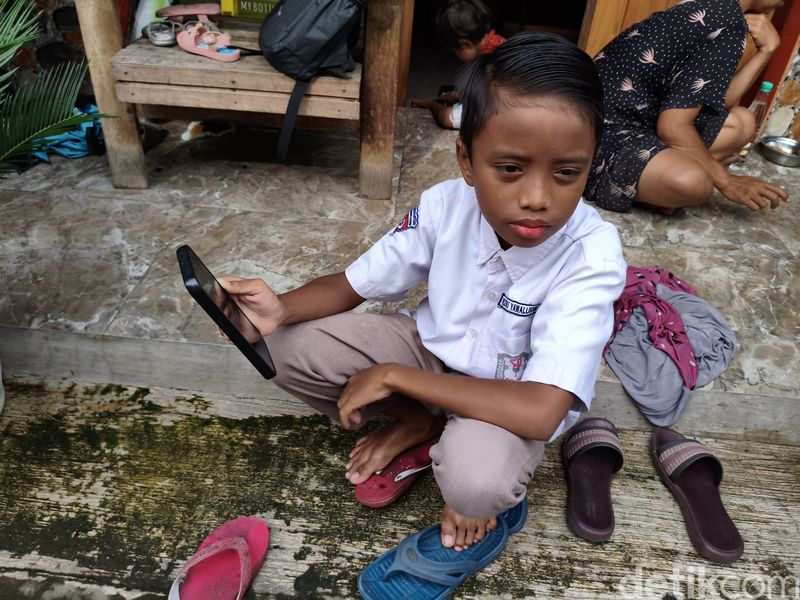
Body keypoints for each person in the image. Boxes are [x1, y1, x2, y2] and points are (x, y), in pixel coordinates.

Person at [221, 33, 626, 559]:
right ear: (466, 159)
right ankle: (419, 421)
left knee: (476, 486)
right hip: (429, 352)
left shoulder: (591, 254)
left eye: (566, 173)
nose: (536, 198)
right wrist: (281, 308)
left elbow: (543, 411)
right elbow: (352, 284)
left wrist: (392, 376)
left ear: (589, 165)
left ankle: (447, 434)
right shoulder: (442, 206)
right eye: (509, 169)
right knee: (281, 347)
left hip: (509, 400)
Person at [586, 0, 790, 213]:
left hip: (637, 122)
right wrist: (727, 182)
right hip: (598, 137)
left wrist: (766, 51)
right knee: (696, 183)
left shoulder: (715, 7)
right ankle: (648, 185)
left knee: (742, 123)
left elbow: (709, 100)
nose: (784, 3)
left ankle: (660, 180)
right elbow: (673, 128)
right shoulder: (727, 18)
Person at [410, 0, 505, 129]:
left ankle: (433, 105)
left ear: (465, 44)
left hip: (501, 111)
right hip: (498, 99)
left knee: (447, 117)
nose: (455, 55)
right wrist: (460, 94)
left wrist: (463, 97)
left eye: (455, 51)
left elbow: (489, 98)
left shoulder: (489, 61)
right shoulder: (499, 42)